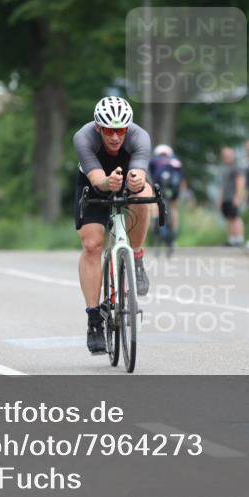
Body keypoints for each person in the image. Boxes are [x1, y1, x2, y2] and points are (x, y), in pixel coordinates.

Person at [74, 96, 155, 354]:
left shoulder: (140, 137)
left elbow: (140, 174)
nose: (115, 137)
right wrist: (107, 183)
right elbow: (97, 178)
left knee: (143, 195)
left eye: (121, 130)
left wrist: (135, 182)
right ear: (99, 127)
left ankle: (137, 257)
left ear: (128, 128)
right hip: (93, 182)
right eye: (109, 130)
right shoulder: (83, 137)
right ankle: (94, 319)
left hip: (127, 179)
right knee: (92, 244)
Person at [149, 144, 184, 252]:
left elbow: (150, 176)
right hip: (174, 188)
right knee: (173, 207)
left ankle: (155, 219)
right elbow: (182, 178)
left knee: (154, 204)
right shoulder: (176, 160)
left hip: (158, 186)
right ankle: (174, 233)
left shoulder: (154, 160)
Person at [218, 146, 245, 246]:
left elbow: (240, 182)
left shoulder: (236, 167)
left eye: (228, 155)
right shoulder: (225, 168)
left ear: (232, 155)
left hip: (233, 196)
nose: (226, 157)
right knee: (229, 218)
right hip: (225, 198)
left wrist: (238, 196)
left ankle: (239, 239)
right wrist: (220, 199)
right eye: (225, 155)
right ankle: (232, 239)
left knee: (236, 217)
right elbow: (222, 185)